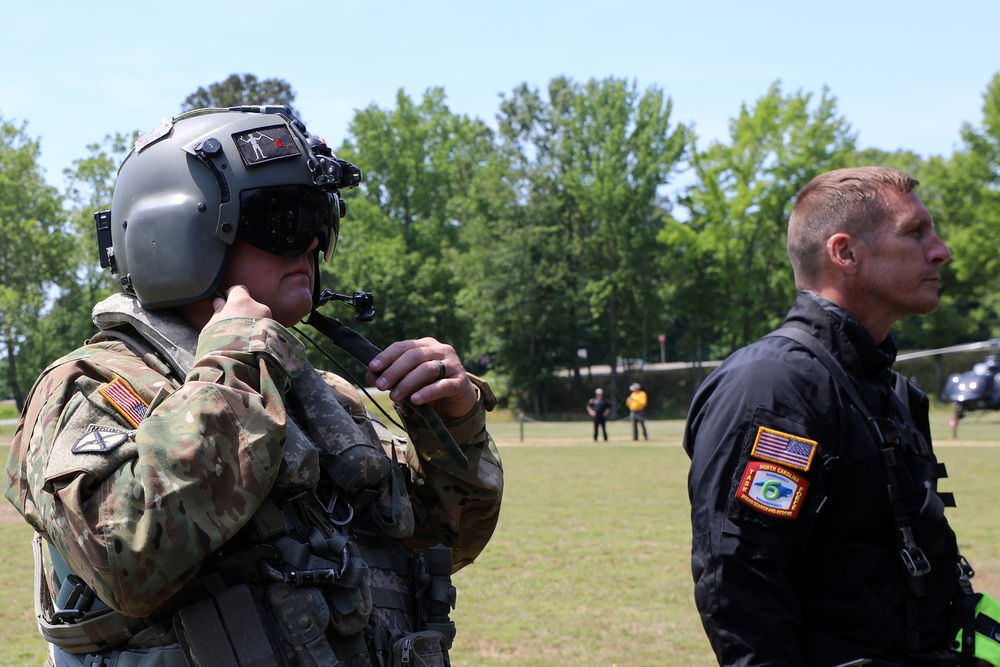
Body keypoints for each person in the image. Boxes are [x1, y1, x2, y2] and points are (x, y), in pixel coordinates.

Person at [3, 106, 504, 667]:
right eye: (285, 222)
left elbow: (445, 537)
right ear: (177, 235)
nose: (312, 244)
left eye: (322, 219)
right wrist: (235, 366)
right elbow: (122, 556)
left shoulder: (319, 395)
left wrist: (453, 422)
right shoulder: (88, 386)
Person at [683, 167, 989, 666]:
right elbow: (739, 582)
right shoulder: (774, 385)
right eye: (915, 233)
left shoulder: (887, 387)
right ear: (844, 253)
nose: (941, 250)